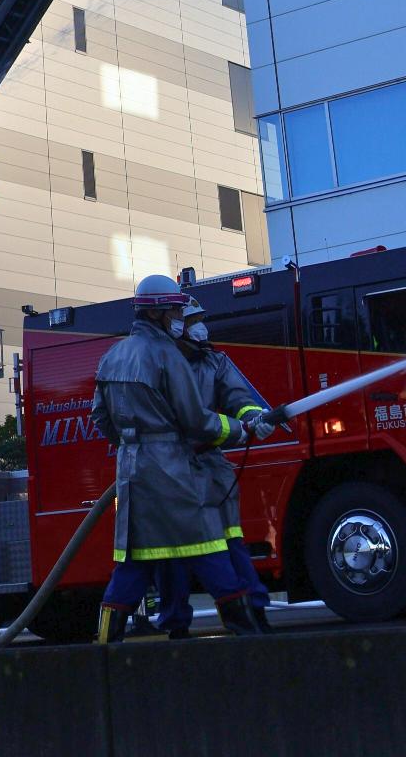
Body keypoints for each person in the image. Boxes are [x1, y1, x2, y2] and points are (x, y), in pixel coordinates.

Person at [90, 274, 270, 642]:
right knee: (211, 549)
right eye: (175, 311)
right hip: (174, 468)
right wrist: (239, 431)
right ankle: (251, 637)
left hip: (132, 472)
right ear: (158, 313)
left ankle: (105, 647)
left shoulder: (112, 356)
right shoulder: (167, 355)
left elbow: (101, 418)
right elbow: (196, 419)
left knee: (133, 564)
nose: (179, 317)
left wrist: (132, 443)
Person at [154, 302, 275, 636]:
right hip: (170, 470)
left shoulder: (215, 361)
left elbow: (240, 398)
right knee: (172, 554)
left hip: (211, 467)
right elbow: (186, 420)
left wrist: (255, 417)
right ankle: (176, 625)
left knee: (231, 542)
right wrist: (237, 429)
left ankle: (254, 613)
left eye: (202, 321)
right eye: (193, 322)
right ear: (174, 326)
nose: (201, 329)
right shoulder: (159, 364)